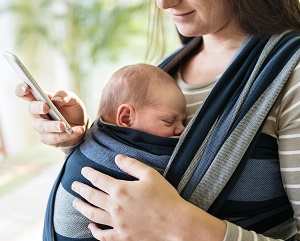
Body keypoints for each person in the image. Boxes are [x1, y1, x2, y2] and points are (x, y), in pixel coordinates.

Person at [15, 0, 300, 240]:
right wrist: (84, 139)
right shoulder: (168, 68)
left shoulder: (291, 74)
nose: (164, 4)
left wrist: (179, 225)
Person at [43, 63, 186, 240]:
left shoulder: (101, 133)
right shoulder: (129, 151)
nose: (182, 129)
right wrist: (70, 140)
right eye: (168, 120)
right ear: (126, 117)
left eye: (184, 121)